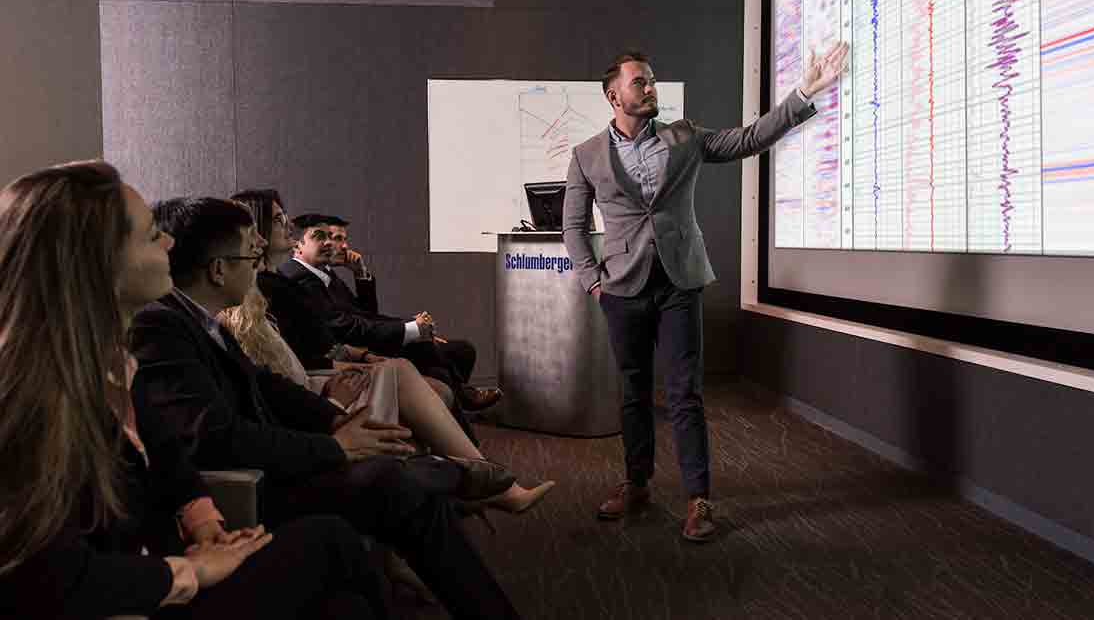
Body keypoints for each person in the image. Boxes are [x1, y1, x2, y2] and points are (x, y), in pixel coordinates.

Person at [0, 161, 387, 619]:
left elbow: (166, 454)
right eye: (150, 236)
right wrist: (190, 572)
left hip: (160, 570)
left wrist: (203, 520)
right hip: (143, 594)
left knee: (342, 602)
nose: (169, 243)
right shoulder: (33, 399)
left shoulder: (115, 362)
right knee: (333, 542)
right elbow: (51, 581)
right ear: (93, 262)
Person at [130, 197, 523, 619]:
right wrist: (336, 447)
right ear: (218, 269)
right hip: (249, 487)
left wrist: (337, 420)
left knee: (387, 494)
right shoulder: (160, 325)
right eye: (250, 250)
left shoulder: (198, 319)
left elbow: (266, 384)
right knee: (389, 485)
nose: (259, 255)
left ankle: (447, 474)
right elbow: (215, 437)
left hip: (267, 463)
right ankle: (450, 473)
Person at [562, 44, 849, 541]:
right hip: (623, 289)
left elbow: (749, 139)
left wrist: (804, 91)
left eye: (652, 80)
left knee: (685, 394)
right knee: (632, 392)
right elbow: (571, 225)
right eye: (640, 82)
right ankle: (636, 483)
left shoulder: (684, 136)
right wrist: (592, 280)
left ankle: (699, 499)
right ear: (614, 95)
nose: (650, 88)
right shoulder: (587, 155)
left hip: (679, 283)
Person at [281, 214, 501, 416]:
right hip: (350, 353)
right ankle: (463, 406)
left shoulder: (322, 273)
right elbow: (345, 327)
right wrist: (411, 329)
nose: (333, 244)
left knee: (452, 354)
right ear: (297, 245)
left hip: (358, 345)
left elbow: (364, 314)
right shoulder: (302, 278)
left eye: (332, 237)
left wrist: (362, 275)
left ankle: (461, 414)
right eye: (321, 237)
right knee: (440, 356)